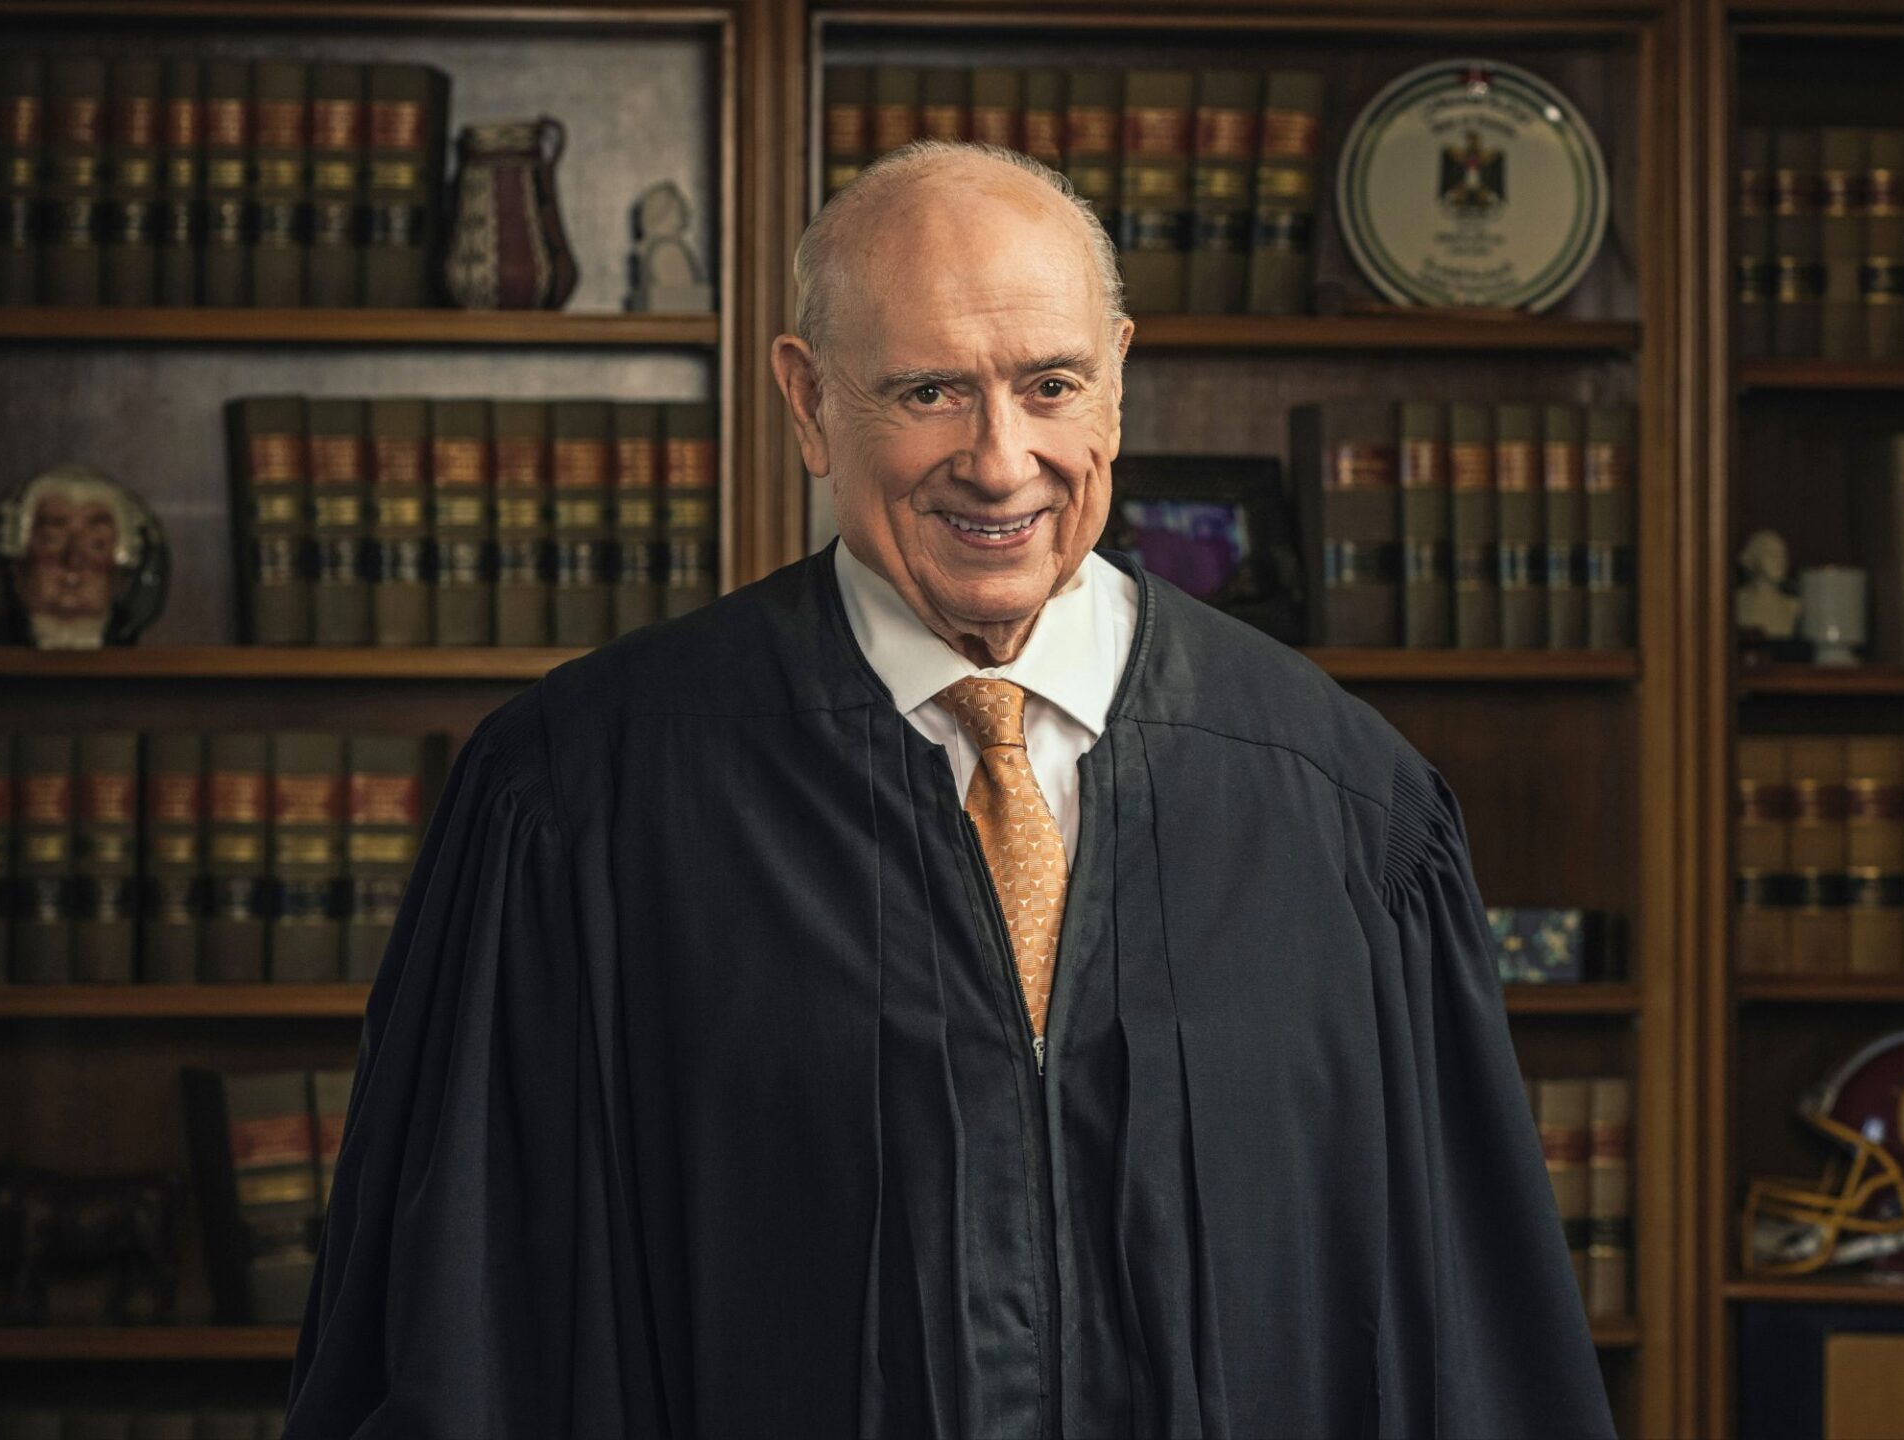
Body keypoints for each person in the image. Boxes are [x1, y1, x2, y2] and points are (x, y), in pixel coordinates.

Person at [283, 141, 1615, 1440]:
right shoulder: (582, 804)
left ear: (1116, 385)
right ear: (808, 401)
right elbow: (462, 1344)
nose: (998, 459)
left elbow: (1471, 1360)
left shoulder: (1348, 814)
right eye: (930, 391)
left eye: (1049, 385)